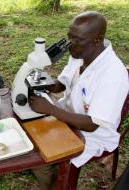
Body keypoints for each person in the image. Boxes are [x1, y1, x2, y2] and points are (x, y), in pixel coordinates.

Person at [29, 11, 129, 189]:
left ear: (97, 40)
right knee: (31, 133)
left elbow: (92, 124)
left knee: (47, 153)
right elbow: (62, 84)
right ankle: (46, 172)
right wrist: (43, 83)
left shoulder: (113, 74)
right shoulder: (80, 52)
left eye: (76, 40)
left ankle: (56, 181)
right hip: (68, 115)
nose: (69, 45)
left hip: (93, 134)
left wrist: (51, 110)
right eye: (69, 37)